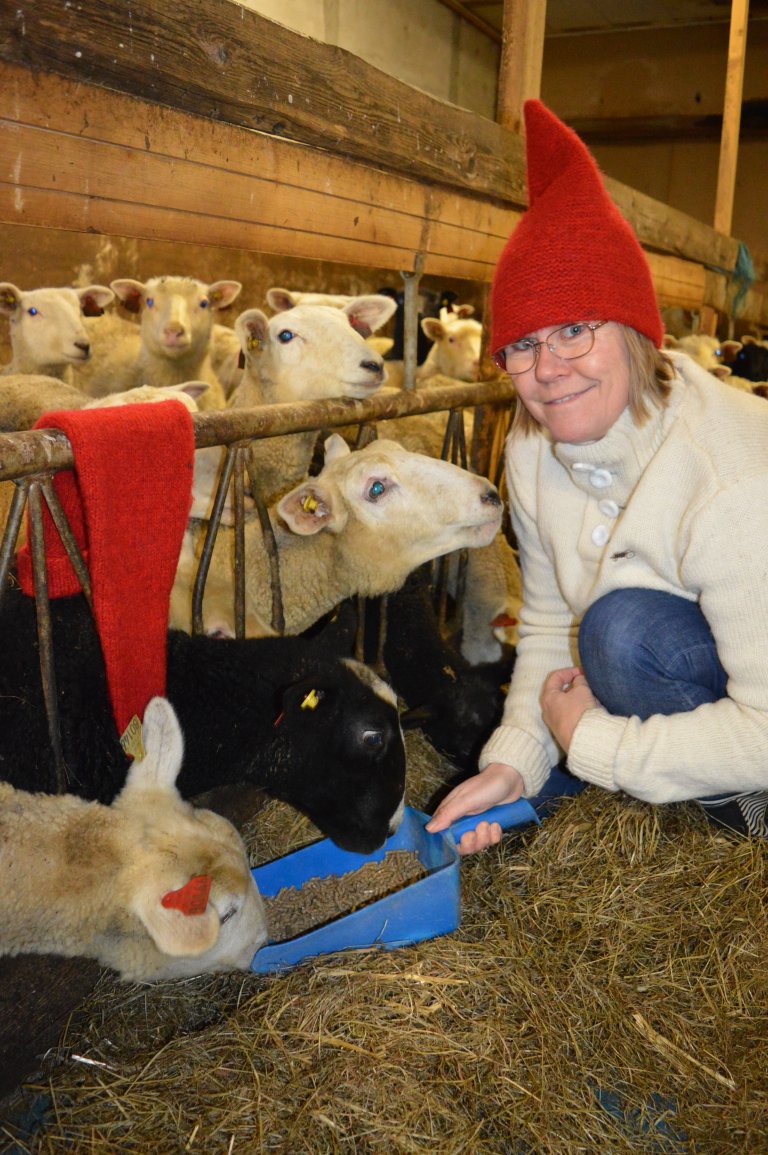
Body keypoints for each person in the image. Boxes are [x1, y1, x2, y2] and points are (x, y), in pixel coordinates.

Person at [426, 99, 768, 855]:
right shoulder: (531, 449)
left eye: (575, 328)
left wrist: (593, 743)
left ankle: (748, 808)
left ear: (634, 328)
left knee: (618, 634)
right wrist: (512, 763)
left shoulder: (729, 479)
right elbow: (548, 623)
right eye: (521, 344)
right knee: (600, 635)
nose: (548, 370)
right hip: (692, 658)